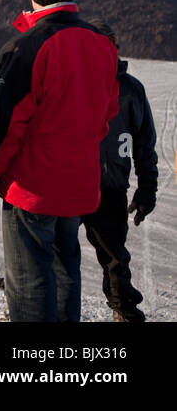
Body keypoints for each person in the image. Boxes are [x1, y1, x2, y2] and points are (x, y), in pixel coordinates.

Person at [0, 0, 118, 322]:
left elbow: (5, 122)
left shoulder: (27, 47)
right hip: (79, 185)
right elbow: (106, 115)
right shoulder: (102, 46)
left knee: (28, 280)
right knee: (65, 268)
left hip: (34, 187)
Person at [81, 20, 158, 322]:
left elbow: (144, 143)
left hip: (107, 186)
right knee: (51, 249)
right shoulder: (71, 79)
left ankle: (124, 310)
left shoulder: (130, 88)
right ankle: (33, 301)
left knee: (114, 257)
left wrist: (147, 189)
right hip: (69, 182)